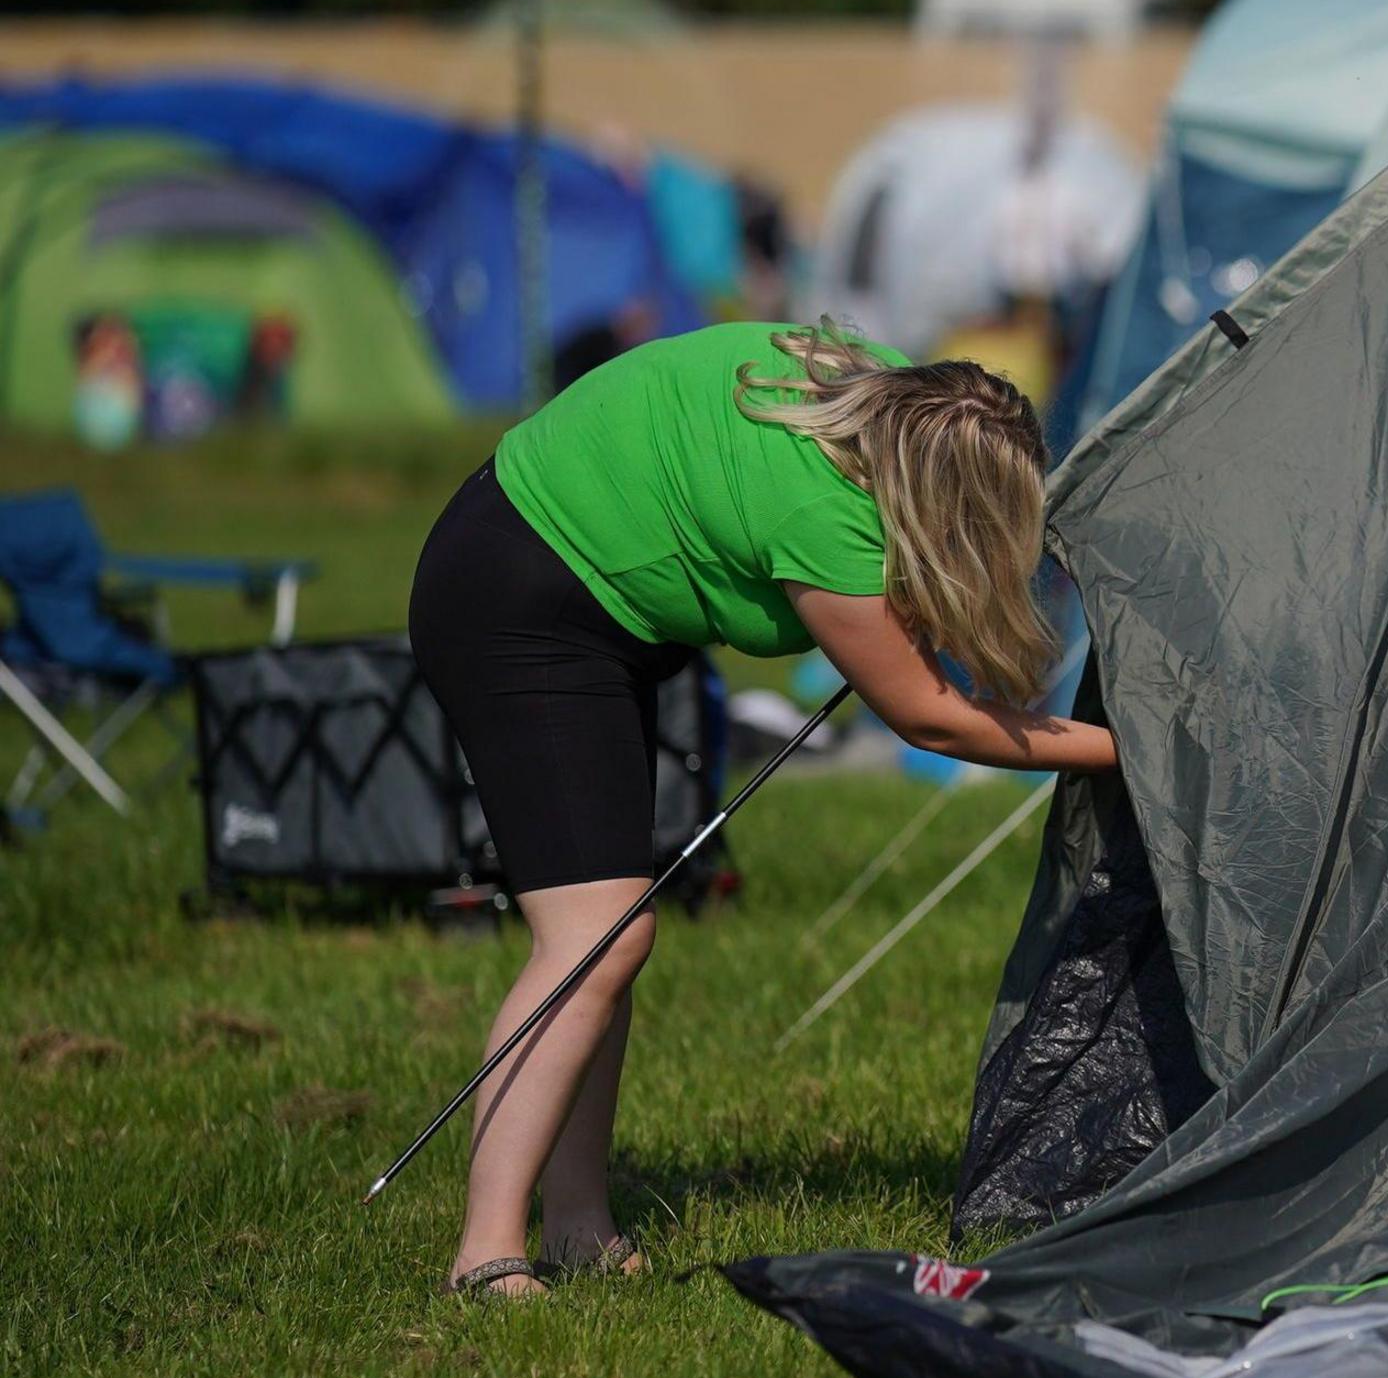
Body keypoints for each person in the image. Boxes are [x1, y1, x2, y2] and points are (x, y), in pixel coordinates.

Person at [408, 320, 1117, 1294]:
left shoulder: (856, 384)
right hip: (516, 597)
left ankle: (578, 1223)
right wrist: (1125, 750)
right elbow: (932, 718)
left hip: (573, 585)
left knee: (612, 932)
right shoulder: (825, 519)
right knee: (593, 938)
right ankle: (485, 1250)